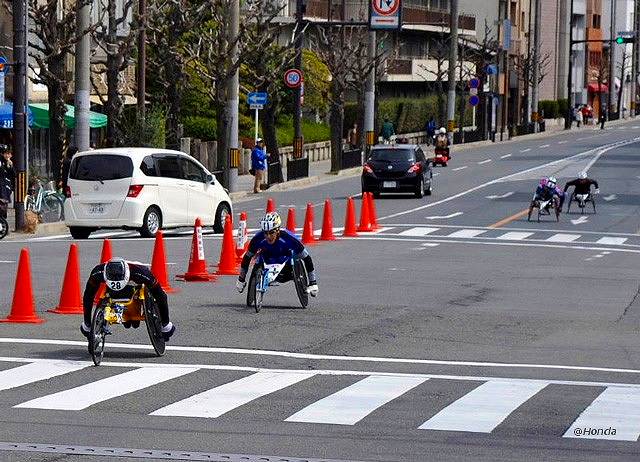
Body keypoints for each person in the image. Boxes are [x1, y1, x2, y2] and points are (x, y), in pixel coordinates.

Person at [80, 258, 175, 341]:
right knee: (91, 295)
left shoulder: (142, 273)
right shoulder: (97, 272)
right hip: (113, 291)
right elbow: (88, 297)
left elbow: (161, 296)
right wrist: (88, 324)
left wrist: (165, 324)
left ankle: (164, 325)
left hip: (135, 279)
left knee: (159, 294)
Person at [236, 211, 318, 297]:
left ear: (278, 230)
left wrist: (313, 282)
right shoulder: (258, 239)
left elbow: (307, 258)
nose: (268, 236)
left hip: (286, 264)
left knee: (298, 256)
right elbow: (247, 257)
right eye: (265, 233)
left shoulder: (288, 238)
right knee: (257, 258)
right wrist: (241, 279)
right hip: (267, 260)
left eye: (271, 233)